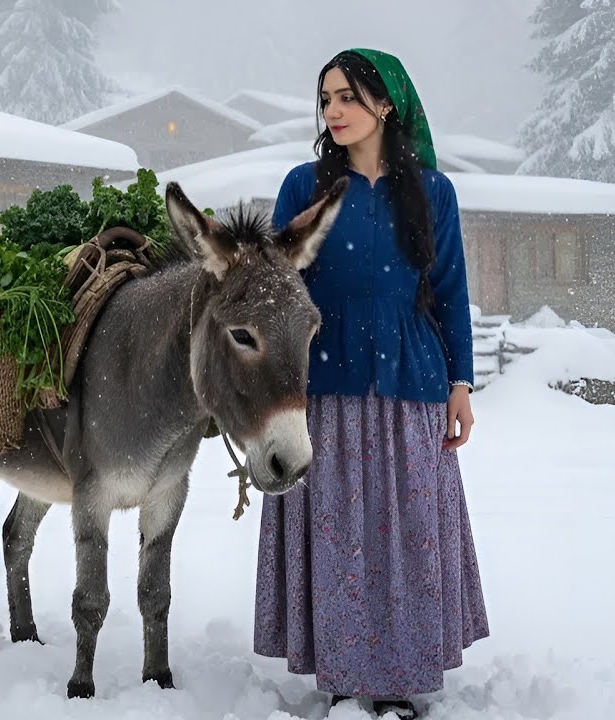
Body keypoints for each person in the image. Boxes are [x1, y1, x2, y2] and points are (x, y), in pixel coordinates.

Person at [253, 48, 490, 719]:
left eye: (349, 97)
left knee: (404, 530)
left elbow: (449, 291)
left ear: (388, 104)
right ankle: (340, 666)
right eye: (326, 99)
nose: (334, 111)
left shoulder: (432, 192)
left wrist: (460, 384)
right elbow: (275, 288)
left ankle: (394, 676)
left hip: (411, 381)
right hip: (324, 381)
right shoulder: (305, 187)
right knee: (333, 528)